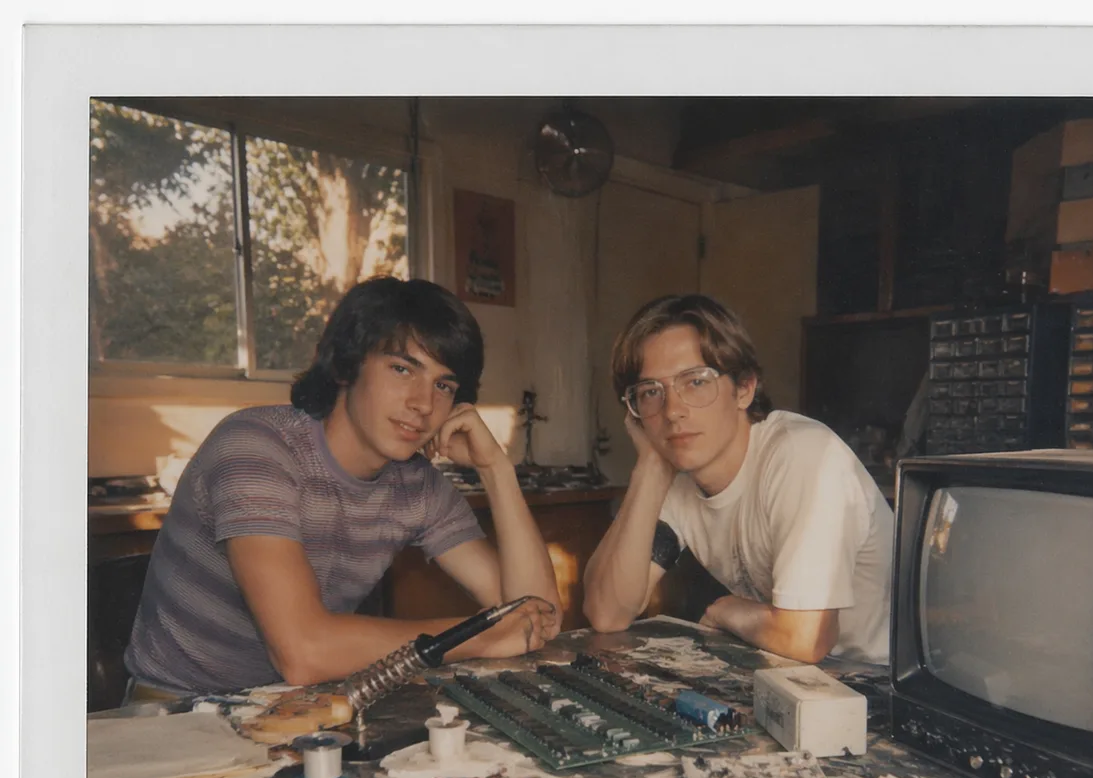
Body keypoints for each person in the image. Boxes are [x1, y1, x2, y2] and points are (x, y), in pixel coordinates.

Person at [124, 277, 559, 698]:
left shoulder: (417, 485)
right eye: (402, 369)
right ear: (347, 366)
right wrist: (478, 639)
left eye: (443, 385)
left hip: (296, 709)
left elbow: (534, 616)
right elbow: (303, 652)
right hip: (177, 712)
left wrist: (496, 468)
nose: (424, 403)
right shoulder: (256, 446)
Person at [583, 294, 893, 665]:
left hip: (878, 684)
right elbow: (607, 613)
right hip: (795, 677)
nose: (673, 411)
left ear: (744, 388)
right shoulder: (676, 474)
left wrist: (725, 610)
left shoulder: (802, 455)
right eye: (651, 392)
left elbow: (807, 638)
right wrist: (650, 466)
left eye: (695, 382)